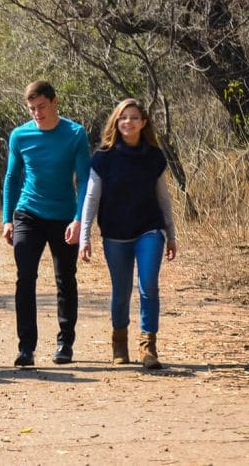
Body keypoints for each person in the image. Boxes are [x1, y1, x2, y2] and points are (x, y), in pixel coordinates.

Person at [76, 98, 177, 369]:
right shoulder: (103, 158)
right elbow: (91, 199)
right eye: (123, 117)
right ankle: (119, 343)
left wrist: (171, 234)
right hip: (115, 234)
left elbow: (163, 198)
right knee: (121, 291)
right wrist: (84, 237)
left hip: (149, 230)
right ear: (116, 122)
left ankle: (148, 347)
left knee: (149, 286)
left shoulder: (154, 157)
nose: (128, 122)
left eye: (133, 117)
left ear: (143, 123)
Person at [2, 81, 91, 366]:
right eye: (31, 109)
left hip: (64, 215)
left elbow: (85, 180)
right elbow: (12, 179)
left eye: (41, 107)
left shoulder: (75, 134)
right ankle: (25, 348)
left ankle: (65, 343)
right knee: (25, 277)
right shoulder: (20, 135)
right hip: (28, 213)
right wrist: (7, 219)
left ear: (54, 102)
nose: (37, 113)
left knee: (65, 278)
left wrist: (80, 219)